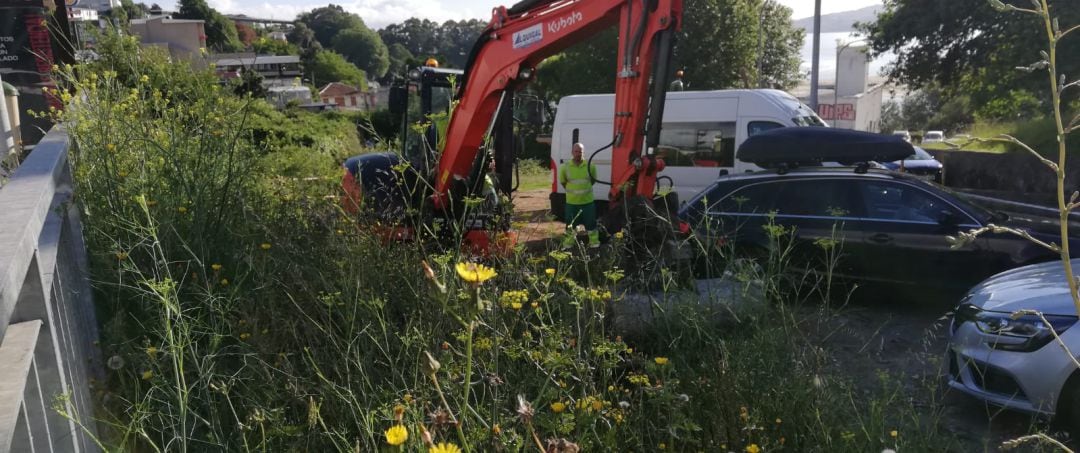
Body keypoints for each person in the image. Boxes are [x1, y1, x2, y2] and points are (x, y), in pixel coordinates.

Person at [559, 142, 600, 248]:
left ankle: (594, 243)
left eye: (580, 152)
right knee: (570, 225)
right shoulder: (565, 167)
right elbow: (563, 182)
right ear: (572, 152)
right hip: (572, 203)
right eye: (576, 151)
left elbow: (593, 180)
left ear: (583, 153)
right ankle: (568, 243)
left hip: (587, 202)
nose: (578, 153)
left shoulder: (591, 166)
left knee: (591, 224)